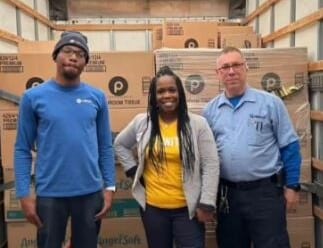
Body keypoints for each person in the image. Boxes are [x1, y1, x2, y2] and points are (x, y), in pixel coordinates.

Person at [14, 31, 116, 248]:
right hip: (50, 194)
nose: (73, 57)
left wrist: (110, 187)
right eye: (67, 51)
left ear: (85, 62)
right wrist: (23, 194)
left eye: (80, 54)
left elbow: (105, 146)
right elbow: (23, 149)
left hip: (89, 193)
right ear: (56, 56)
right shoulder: (33, 98)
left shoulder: (96, 98)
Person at [203, 46, 302, 248]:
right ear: (218, 74)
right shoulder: (211, 110)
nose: (231, 71)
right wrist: (208, 198)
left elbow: (290, 146)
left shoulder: (270, 103)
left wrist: (292, 186)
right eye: (225, 67)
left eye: (236, 65)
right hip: (227, 197)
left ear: (246, 67)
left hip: (265, 194)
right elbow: (207, 159)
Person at [114, 66, 219, 248]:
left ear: (180, 93)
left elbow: (211, 163)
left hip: (189, 211)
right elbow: (119, 144)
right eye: (161, 91)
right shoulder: (142, 122)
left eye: (172, 90)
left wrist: (207, 203)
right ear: (154, 97)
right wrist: (133, 171)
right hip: (153, 210)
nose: (167, 95)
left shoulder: (197, 124)